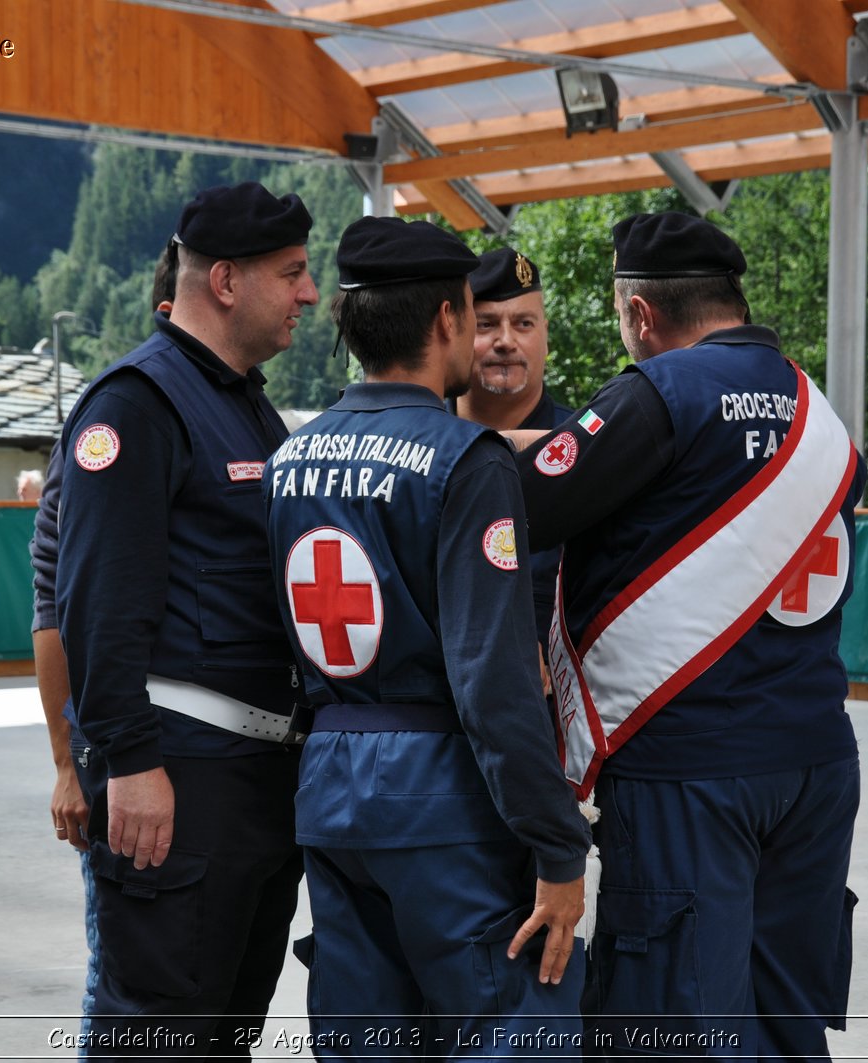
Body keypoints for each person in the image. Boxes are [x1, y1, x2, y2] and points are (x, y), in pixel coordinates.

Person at [511, 212, 866, 1061]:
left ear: (640, 316)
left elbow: (527, 504)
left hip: (690, 766)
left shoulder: (659, 394)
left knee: (670, 1026)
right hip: (816, 761)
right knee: (786, 1020)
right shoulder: (816, 410)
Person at [263, 216, 591, 1056]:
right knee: (508, 1026)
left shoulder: (292, 458)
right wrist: (559, 845)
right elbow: (494, 675)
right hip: (443, 794)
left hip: (330, 790)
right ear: (448, 319)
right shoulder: (466, 458)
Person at [54, 182, 319, 1059]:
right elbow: (94, 602)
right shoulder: (136, 404)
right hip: (179, 780)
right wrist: (128, 760)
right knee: (158, 1037)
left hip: (250, 785)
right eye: (293, 273)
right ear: (228, 283)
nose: (309, 294)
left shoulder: (242, 400)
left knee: (223, 1035)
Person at [30, 242, 180, 1055]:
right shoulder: (116, 423)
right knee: (123, 984)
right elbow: (57, 611)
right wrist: (68, 763)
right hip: (121, 750)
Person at [453, 247, 571, 652]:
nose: (506, 341)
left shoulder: (590, 444)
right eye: (486, 324)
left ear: (546, 334)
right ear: (454, 332)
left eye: (524, 323)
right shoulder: (418, 447)